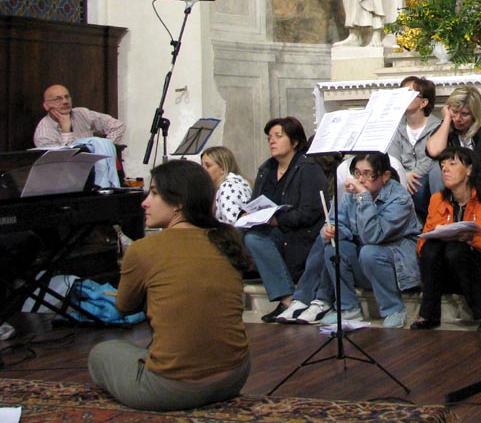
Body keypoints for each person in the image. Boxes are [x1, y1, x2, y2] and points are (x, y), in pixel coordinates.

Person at [88, 160, 251, 411]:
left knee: (101, 353)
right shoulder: (227, 239)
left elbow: (123, 307)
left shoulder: (143, 249)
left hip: (170, 390)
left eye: (154, 193)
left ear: (179, 202)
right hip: (235, 377)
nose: (144, 202)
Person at [275, 153, 421, 328]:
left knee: (369, 252)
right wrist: (332, 230)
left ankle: (394, 309)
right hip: (365, 260)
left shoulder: (399, 199)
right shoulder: (352, 194)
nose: (360, 180)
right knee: (334, 247)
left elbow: (373, 236)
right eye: (357, 173)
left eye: (367, 174)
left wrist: (364, 197)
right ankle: (348, 307)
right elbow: (339, 222)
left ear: (385, 176)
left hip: (396, 263)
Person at [410, 147, 481, 332]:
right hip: (445, 273)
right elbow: (421, 246)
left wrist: (474, 239)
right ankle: (428, 314)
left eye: (452, 164)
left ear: (469, 170)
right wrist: (438, 234)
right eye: (442, 165)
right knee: (431, 248)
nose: (445, 169)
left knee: (456, 250)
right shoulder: (437, 200)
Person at [243, 116, 327, 323]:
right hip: (273, 230)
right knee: (239, 235)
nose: (272, 141)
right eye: (269, 137)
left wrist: (277, 220)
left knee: (255, 239)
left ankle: (288, 298)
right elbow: (255, 202)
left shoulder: (308, 168)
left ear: (295, 141)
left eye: (278, 136)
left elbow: (310, 212)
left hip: (301, 234)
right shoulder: (267, 169)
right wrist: (246, 215)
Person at [386, 76, 441, 221]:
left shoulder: (436, 127)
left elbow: (433, 157)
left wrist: (414, 173)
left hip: (424, 176)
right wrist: (404, 175)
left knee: (418, 188)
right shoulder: (396, 127)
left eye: (409, 93)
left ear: (423, 102)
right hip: (401, 175)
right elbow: (393, 157)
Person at [425, 86, 481, 192]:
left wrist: (458, 169)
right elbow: (434, 151)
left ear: (475, 114)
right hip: (453, 176)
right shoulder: (447, 126)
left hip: (476, 175)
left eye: (465, 114)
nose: (458, 119)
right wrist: (447, 120)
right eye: (454, 112)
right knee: (436, 169)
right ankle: (441, 203)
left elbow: (480, 160)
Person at [33, 84, 126, 148]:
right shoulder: (44, 132)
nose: (65, 101)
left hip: (93, 166)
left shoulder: (81, 113)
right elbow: (65, 159)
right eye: (58, 99)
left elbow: (117, 126)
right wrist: (66, 131)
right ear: (46, 106)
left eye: (67, 97)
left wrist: (105, 149)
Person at [201, 146, 252, 225]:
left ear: (223, 169)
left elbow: (232, 222)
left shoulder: (227, 186)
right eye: (202, 166)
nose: (202, 170)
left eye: (208, 166)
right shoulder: (238, 181)